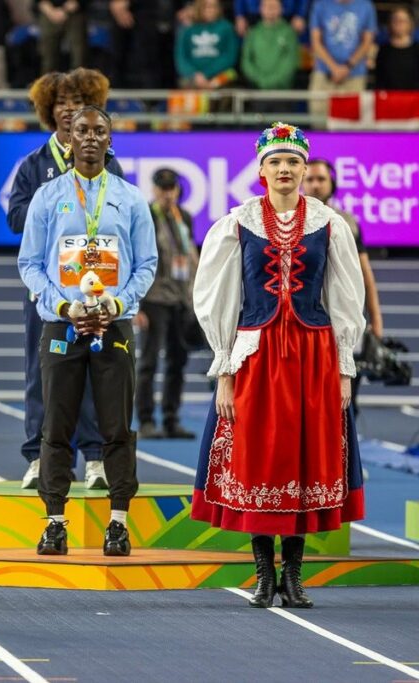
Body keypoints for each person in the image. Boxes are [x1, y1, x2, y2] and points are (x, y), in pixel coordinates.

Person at [192, 123, 366, 609]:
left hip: (313, 357)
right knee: (257, 459)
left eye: (293, 162)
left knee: (305, 460)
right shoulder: (237, 223)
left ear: (305, 168)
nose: (285, 170)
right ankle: (263, 574)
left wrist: (345, 368)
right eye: (276, 162)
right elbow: (219, 299)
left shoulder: (330, 225)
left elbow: (345, 298)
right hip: (256, 355)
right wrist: (225, 370)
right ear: (261, 170)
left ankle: (294, 575)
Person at [18, 105, 158, 558]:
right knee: (56, 423)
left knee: (117, 425)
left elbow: (147, 264)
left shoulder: (131, 199)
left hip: (112, 323)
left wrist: (117, 303)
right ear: (70, 138)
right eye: (83, 131)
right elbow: (30, 264)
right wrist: (63, 304)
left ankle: (118, 521)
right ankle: (54, 521)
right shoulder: (46, 197)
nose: (91, 139)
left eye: (100, 131)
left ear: (109, 140)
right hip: (62, 323)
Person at [7, 69, 123, 492]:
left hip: (96, 288)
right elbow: (14, 217)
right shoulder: (34, 166)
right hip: (48, 291)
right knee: (43, 374)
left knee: (96, 370)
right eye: (61, 103)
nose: (69, 109)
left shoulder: (109, 162)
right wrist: (50, 204)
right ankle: (38, 457)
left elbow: (121, 219)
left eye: (77, 102)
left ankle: (94, 459)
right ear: (48, 111)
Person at [303, 158, 383, 415]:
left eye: (321, 179)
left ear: (333, 184)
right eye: (310, 179)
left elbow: (364, 273)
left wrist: (376, 320)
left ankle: (344, 452)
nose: (315, 185)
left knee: (346, 399)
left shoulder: (347, 223)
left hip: (341, 319)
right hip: (307, 320)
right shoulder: (291, 221)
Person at [135, 168, 197, 440]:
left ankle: (171, 419)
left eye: (172, 188)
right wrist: (135, 304)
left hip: (180, 300)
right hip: (153, 299)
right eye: (162, 188)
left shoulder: (184, 217)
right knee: (148, 361)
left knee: (177, 361)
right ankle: (146, 419)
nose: (167, 193)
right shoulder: (146, 215)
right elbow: (135, 258)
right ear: (154, 189)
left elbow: (190, 256)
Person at [308, 0, 376, 122]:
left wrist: (347, 67)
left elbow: (367, 42)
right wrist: (334, 68)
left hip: (354, 76)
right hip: (324, 74)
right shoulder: (320, 5)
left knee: (351, 125)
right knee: (319, 122)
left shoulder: (366, 6)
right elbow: (316, 42)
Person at [175, 0, 239, 91]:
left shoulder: (227, 28)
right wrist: (195, 74)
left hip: (219, 75)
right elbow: (181, 58)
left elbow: (229, 57)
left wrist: (206, 73)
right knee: (185, 85)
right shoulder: (188, 30)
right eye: (207, 6)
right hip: (193, 77)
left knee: (230, 76)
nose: (210, 10)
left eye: (214, 6)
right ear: (199, 7)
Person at [240, 0, 300, 92]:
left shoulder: (289, 33)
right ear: (260, 8)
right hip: (257, 90)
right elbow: (246, 61)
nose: (270, 10)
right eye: (267, 6)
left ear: (281, 9)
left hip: (282, 91)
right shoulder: (253, 33)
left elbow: (291, 62)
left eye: (274, 6)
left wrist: (270, 82)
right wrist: (260, 80)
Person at [375, 5, 419, 91]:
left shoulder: (417, 50)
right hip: (389, 99)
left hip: (413, 99)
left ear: (410, 24)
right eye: (395, 20)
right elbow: (379, 80)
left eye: (402, 21)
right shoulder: (383, 50)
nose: (399, 24)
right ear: (390, 23)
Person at [35, 0, 84, 72]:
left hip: (76, 11)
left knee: (79, 56)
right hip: (48, 11)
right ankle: (49, 82)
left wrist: (67, 9)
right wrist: (50, 11)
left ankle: (78, 82)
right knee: (48, 57)